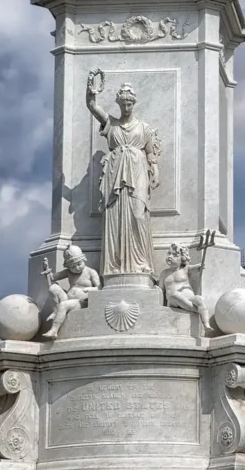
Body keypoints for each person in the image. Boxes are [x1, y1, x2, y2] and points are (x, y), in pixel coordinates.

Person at [86, 75, 160, 275]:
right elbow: (92, 106)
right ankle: (116, 263)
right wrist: (91, 91)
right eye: (123, 103)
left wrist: (155, 171)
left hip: (138, 169)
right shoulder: (111, 124)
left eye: (129, 103)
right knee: (116, 216)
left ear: (133, 103)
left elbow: (151, 154)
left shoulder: (144, 128)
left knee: (138, 213)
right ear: (119, 103)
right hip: (115, 170)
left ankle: (141, 261)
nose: (126, 106)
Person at [41, 245, 101, 339]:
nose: (76, 268)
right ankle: (55, 312)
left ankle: (54, 330)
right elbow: (52, 278)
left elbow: (99, 288)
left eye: (79, 264)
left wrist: (91, 289)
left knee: (64, 305)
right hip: (67, 298)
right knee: (53, 288)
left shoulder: (91, 272)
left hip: (81, 302)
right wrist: (46, 270)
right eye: (72, 266)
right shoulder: (68, 272)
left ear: (84, 259)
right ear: (68, 266)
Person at [159, 243, 211, 331]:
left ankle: (206, 324)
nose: (170, 257)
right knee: (175, 294)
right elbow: (161, 290)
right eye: (169, 253)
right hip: (173, 300)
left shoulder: (185, 269)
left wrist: (201, 266)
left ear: (182, 259)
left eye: (175, 255)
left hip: (189, 297)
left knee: (199, 299)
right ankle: (197, 310)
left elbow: (198, 267)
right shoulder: (164, 273)